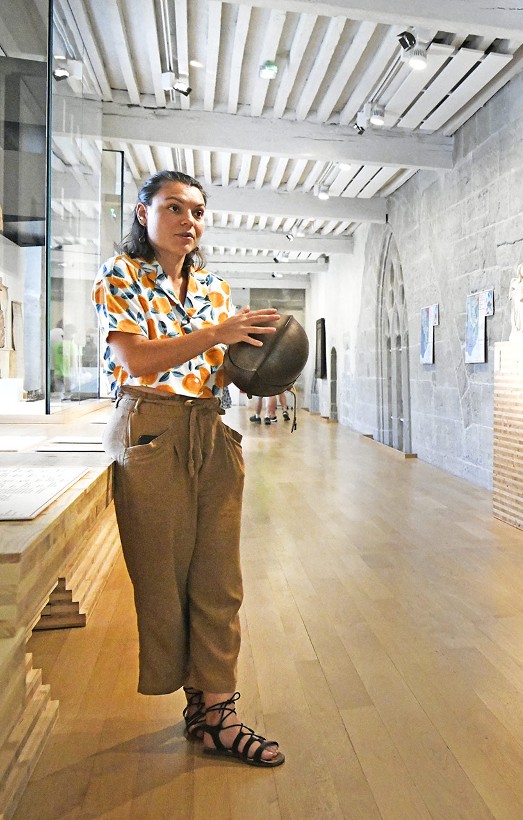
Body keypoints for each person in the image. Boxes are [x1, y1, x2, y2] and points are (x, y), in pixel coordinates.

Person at [92, 170, 285, 767]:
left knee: (218, 579)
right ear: (142, 213)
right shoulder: (120, 276)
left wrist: (262, 370)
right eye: (174, 208)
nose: (188, 221)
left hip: (211, 429)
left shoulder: (213, 287)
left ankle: (218, 712)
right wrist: (216, 335)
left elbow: (218, 370)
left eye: (197, 211)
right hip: (149, 430)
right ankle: (196, 705)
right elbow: (133, 360)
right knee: (163, 579)